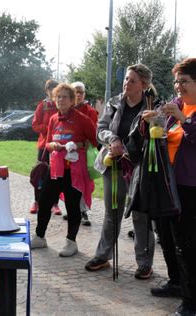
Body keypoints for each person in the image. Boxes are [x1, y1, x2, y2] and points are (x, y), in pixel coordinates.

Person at [85, 64, 156, 280]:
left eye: (132, 80)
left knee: (141, 214)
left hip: (140, 167)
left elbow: (157, 134)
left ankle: (144, 264)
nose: (126, 83)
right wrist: (112, 139)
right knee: (112, 212)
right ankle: (103, 255)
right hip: (113, 164)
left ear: (143, 85)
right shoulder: (114, 102)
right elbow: (100, 129)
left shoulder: (153, 105)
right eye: (126, 79)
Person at [142, 58, 196, 315]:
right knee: (170, 238)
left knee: (188, 244)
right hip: (169, 183)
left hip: (191, 187)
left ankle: (191, 303)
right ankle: (178, 283)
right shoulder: (176, 105)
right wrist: (151, 120)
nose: (178, 86)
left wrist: (185, 120)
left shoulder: (185, 111)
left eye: (184, 81)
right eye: (176, 81)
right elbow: (160, 131)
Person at [30, 83, 97, 257]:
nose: (60, 100)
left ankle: (71, 242)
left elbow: (96, 140)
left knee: (72, 206)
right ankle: (40, 236)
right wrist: (52, 145)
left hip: (74, 170)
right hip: (55, 169)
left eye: (65, 97)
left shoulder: (82, 119)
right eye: (58, 96)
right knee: (44, 201)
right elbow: (48, 141)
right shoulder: (53, 118)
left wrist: (79, 144)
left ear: (72, 100)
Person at [70, 81, 99, 226]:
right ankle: (72, 210)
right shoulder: (65, 110)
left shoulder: (91, 111)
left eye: (80, 92)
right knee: (70, 183)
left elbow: (93, 134)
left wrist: (81, 144)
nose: (78, 95)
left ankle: (83, 211)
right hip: (68, 153)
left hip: (83, 154)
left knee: (84, 183)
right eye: (75, 91)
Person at [30, 79, 60, 215]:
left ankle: (55, 204)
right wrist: (48, 128)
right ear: (46, 90)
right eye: (50, 89)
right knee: (40, 174)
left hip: (58, 146)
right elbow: (35, 124)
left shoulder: (62, 104)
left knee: (56, 175)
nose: (53, 91)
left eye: (55, 88)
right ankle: (37, 201)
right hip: (44, 145)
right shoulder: (42, 105)